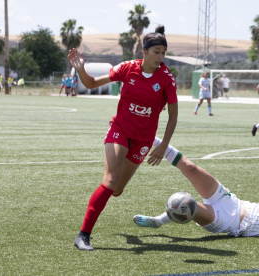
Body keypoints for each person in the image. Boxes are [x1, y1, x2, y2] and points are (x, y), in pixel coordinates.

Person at [69, 25, 178, 251]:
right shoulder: (127, 68)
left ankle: (107, 195)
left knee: (117, 190)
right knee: (110, 180)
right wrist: (80, 70)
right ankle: (83, 235)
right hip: (119, 130)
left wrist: (164, 145)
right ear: (145, 51)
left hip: (143, 140)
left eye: (163, 53)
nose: (160, 57)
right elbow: (90, 84)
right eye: (156, 51)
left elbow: (174, 116)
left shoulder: (167, 79)